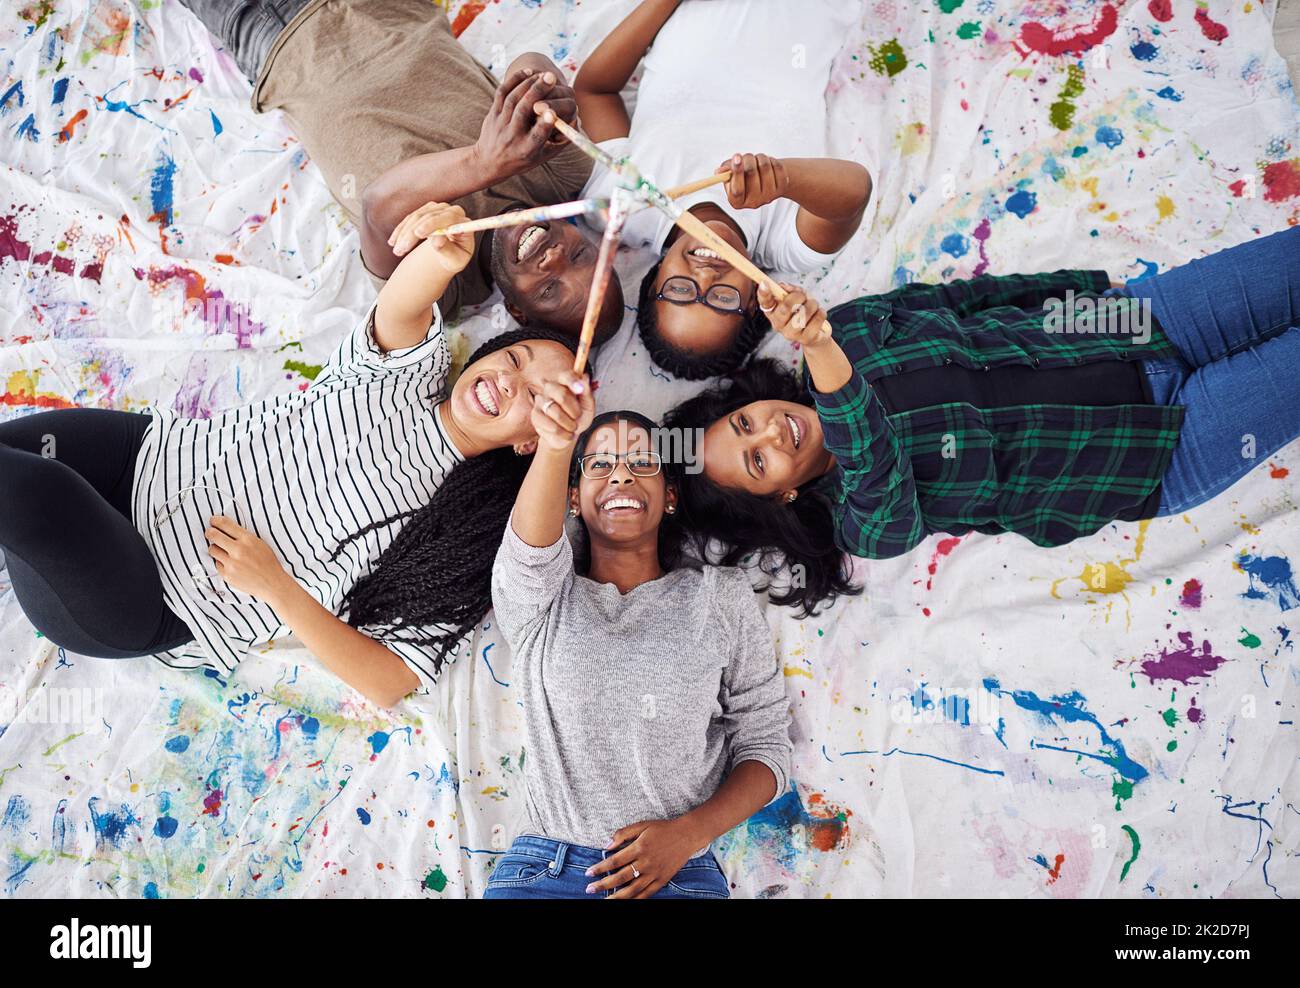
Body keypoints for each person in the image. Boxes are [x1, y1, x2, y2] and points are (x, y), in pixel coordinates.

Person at [0, 203, 579, 708]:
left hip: (153, 594)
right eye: (518, 357)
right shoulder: (409, 374)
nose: (509, 380)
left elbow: (391, 681)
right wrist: (446, 255)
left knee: (36, 492)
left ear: (530, 442)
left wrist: (275, 586)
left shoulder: (460, 535)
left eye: (535, 397)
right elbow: (406, 300)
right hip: (144, 457)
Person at [662, 227, 1300, 610]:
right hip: (1156, 452)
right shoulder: (862, 523)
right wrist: (820, 347)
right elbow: (869, 451)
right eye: (757, 460)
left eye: (745, 424)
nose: (771, 430)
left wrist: (1092, 292)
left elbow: (963, 301)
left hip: (1130, 324)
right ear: (782, 494)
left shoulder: (847, 327)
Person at [485, 380, 792, 899]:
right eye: (600, 465)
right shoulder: (543, 598)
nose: (621, 473)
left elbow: (766, 749)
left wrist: (690, 835)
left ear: (670, 495)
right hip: (547, 872)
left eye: (642, 463)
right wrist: (558, 444)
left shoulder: (721, 598)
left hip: (678, 875)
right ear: (573, 500)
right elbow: (530, 548)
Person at [176, 0, 624, 340]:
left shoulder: (443, 288)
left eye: (550, 289)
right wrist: (542, 88)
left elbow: (379, 206)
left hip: (276, 36)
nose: (554, 258)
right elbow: (531, 64)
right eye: (580, 256)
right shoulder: (564, 178)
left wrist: (486, 162)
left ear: (518, 311)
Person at [574, 0, 872, 379]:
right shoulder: (784, 245)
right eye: (722, 299)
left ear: (655, 281)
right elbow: (855, 191)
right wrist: (783, 178)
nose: (705, 277)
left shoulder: (627, 207)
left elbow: (594, 91)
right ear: (753, 302)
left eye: (680, 291)